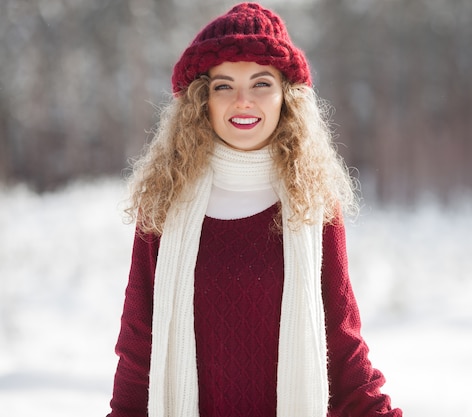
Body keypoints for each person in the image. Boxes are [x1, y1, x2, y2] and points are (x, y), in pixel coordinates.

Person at [107, 3, 402, 416]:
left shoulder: (311, 203)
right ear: (200, 101)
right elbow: (140, 349)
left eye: (261, 83)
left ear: (286, 97)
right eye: (223, 86)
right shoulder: (165, 203)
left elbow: (341, 348)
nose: (242, 101)